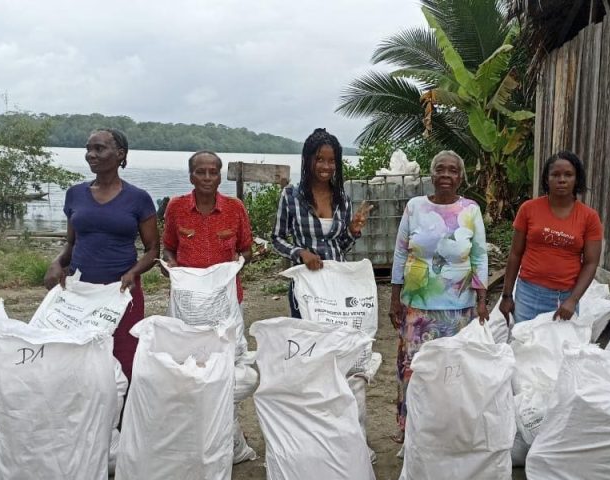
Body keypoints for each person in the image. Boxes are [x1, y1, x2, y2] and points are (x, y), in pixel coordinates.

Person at [43, 129, 159, 382]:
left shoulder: (138, 199)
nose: (90, 155)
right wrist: (57, 263)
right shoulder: (75, 194)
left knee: (123, 358)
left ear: (120, 155)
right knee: (78, 356)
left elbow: (152, 250)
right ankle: (86, 416)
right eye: (88, 149)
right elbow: (71, 243)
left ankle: (121, 417)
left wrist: (133, 272)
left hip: (121, 293)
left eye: (99, 149)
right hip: (80, 293)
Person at [390, 150, 488, 442]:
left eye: (453, 170)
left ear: (461, 177)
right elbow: (400, 252)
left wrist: (482, 302)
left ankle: (446, 433)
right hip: (417, 308)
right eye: (440, 170)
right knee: (415, 370)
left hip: (459, 311)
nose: (446, 175)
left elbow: (479, 257)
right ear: (431, 176)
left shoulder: (470, 210)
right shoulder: (415, 207)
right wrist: (395, 298)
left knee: (452, 372)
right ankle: (410, 432)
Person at [271, 128, 370, 317]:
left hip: (337, 281)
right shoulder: (291, 196)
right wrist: (300, 253)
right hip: (306, 283)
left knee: (336, 339)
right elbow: (277, 238)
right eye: (319, 159)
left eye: (332, 160)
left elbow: (341, 247)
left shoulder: (342, 199)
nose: (326, 166)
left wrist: (352, 230)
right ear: (308, 160)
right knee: (307, 338)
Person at [500, 151, 602, 324]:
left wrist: (573, 300)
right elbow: (515, 254)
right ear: (547, 179)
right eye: (555, 174)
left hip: (565, 298)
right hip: (528, 294)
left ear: (576, 179)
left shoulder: (589, 217)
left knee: (560, 349)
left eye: (568, 175)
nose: (561, 179)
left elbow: (591, 263)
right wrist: (507, 295)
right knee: (524, 346)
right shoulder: (528, 209)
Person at [161, 151, 253, 302]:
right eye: (200, 172)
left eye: (213, 172)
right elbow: (168, 248)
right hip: (186, 294)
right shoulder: (176, 207)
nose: (207, 178)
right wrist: (169, 263)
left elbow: (247, 251)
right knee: (182, 327)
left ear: (219, 178)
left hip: (226, 294)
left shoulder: (235, 208)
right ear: (191, 177)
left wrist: (239, 260)